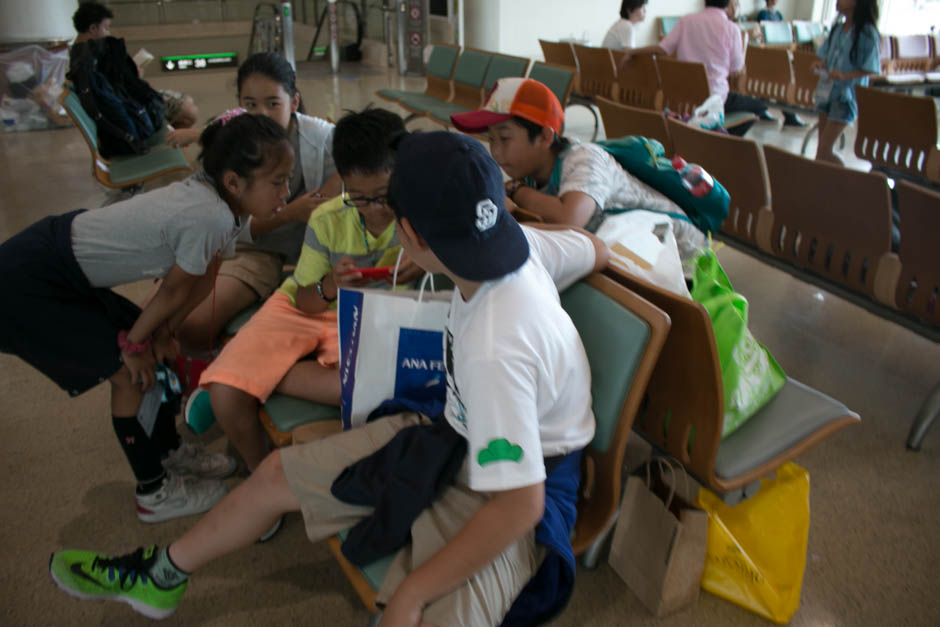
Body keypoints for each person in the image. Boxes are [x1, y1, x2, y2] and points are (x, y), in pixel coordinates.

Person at [49, 130, 609, 626]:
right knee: (273, 477)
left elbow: (519, 507)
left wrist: (414, 594)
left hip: (522, 476)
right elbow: (595, 247)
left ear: (409, 231)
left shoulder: (496, 345)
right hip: (459, 429)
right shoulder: (520, 248)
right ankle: (162, 575)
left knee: (421, 610)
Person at [0, 112, 293, 523]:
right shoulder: (207, 214)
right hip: (30, 280)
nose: (288, 190)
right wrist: (136, 344)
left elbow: (205, 282)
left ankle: (168, 453)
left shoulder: (228, 209)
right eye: (278, 181)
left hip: (62, 268)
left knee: (156, 362)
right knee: (129, 375)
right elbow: (173, 289)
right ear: (233, 181)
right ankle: (153, 493)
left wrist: (163, 334)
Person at [185, 107, 414, 479]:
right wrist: (330, 286)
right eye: (359, 197)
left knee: (363, 391)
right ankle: (261, 472)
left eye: (383, 196)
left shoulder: (415, 214)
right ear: (341, 181)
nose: (375, 209)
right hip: (307, 304)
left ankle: (261, 371)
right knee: (225, 395)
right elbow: (304, 299)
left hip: (371, 314)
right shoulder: (328, 218)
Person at [166, 52, 341, 351]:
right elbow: (219, 216)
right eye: (250, 104)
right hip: (220, 239)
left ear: (294, 102)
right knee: (154, 315)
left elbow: (347, 177)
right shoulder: (230, 140)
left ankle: (207, 374)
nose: (261, 114)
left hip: (262, 252)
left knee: (190, 325)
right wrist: (289, 214)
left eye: (273, 103)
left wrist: (293, 212)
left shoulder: (323, 140)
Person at [451, 77, 707, 263]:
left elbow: (569, 218)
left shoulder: (585, 158)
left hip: (679, 256)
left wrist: (518, 192)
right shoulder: (531, 169)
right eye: (491, 139)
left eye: (505, 139)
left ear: (544, 136)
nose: (496, 152)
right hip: (634, 253)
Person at [621, 0, 806, 130]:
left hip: (683, 96)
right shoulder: (732, 29)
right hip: (714, 99)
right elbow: (736, 70)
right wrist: (744, 43)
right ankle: (717, 136)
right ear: (728, 5)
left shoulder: (687, 20)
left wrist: (633, 52)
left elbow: (662, 49)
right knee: (758, 107)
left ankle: (701, 130)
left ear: (704, 2)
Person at [71, 2, 198, 130]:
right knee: (189, 111)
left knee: (188, 101)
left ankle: (172, 135)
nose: (108, 33)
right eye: (106, 28)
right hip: (132, 110)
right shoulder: (91, 57)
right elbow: (116, 89)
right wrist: (135, 76)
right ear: (93, 28)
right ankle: (171, 138)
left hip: (127, 106)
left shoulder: (81, 56)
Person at [812, 0, 880, 165]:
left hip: (846, 97)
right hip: (828, 92)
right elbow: (826, 56)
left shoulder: (866, 33)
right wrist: (821, 64)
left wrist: (844, 76)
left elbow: (870, 68)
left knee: (824, 151)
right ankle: (822, 184)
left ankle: (843, 181)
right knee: (821, 152)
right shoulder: (838, 29)